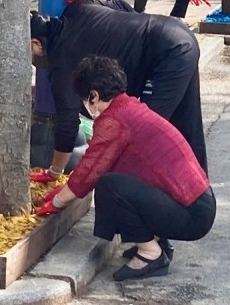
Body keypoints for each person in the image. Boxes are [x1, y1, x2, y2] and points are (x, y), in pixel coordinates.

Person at [35, 56, 215, 282]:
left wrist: (56, 203)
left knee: (109, 186)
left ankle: (151, 254)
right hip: (199, 202)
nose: (84, 105)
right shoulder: (130, 107)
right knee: (121, 180)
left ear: (94, 96)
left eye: (84, 99)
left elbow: (89, 172)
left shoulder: (115, 120)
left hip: (192, 214)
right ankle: (156, 240)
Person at [29, 0, 207, 183]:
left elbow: (68, 124)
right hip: (176, 31)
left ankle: (173, 197)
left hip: (168, 54)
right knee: (187, 121)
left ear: (37, 43)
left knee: (145, 135)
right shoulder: (77, 8)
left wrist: (54, 172)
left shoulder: (61, 64)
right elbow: (120, 4)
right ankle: (199, 193)